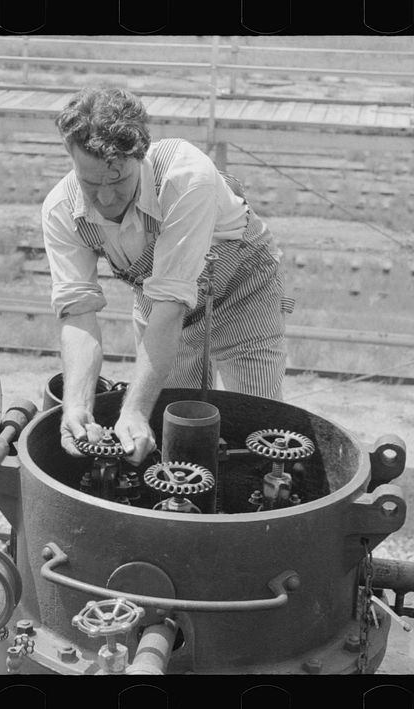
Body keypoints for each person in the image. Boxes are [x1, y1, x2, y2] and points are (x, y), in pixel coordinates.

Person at [42, 87, 292, 464]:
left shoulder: (185, 175)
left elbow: (173, 303)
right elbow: (77, 313)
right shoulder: (60, 209)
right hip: (158, 298)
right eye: (91, 184)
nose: (106, 199)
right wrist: (76, 407)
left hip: (243, 291)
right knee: (175, 426)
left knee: (257, 426)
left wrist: (135, 410)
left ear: (140, 155)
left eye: (118, 181)